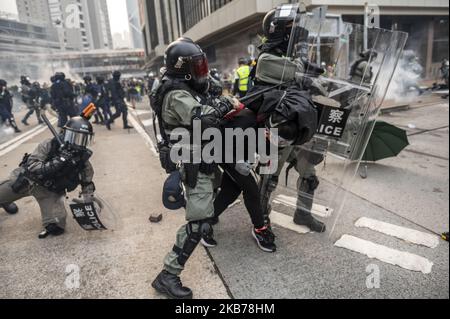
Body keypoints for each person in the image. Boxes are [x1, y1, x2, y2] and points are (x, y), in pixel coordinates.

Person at [151, 37, 240, 299]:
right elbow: (205, 116)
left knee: (212, 198)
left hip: (203, 154)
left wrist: (214, 87)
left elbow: (210, 87)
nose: (203, 71)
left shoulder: (187, 84)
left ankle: (207, 221)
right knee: (198, 222)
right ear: (183, 69)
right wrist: (226, 103)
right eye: (197, 67)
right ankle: (167, 275)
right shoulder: (176, 94)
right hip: (193, 160)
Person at [246, 4, 326, 232]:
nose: (298, 31)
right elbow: (297, 73)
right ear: (278, 30)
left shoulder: (292, 56)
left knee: (309, 175)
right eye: (292, 27)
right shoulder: (267, 58)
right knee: (269, 179)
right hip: (279, 130)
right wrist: (307, 73)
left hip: (300, 126)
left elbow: (308, 79)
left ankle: (303, 214)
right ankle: (261, 221)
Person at [0, 116, 96, 238]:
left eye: (83, 139)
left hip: (49, 192)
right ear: (66, 134)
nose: (78, 144)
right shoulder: (49, 145)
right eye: (75, 137)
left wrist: (89, 204)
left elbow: (87, 182)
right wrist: (57, 162)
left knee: (56, 226)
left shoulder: (82, 160)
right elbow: (32, 165)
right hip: (27, 181)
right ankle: (5, 201)